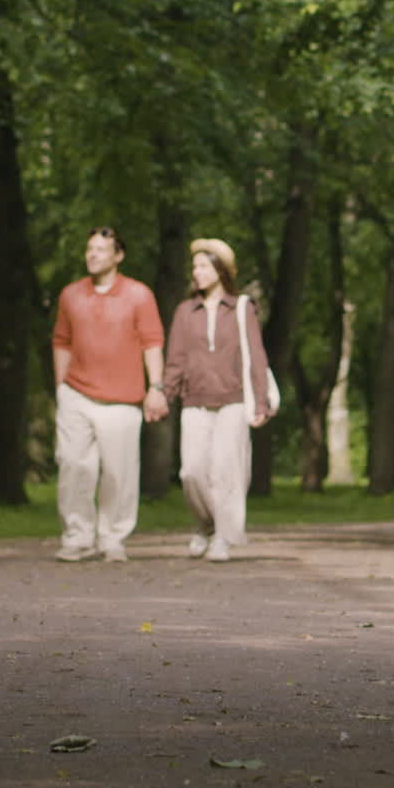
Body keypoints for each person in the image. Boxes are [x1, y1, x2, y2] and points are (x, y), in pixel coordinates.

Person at [52, 226, 168, 563]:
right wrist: (61, 387)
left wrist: (156, 387)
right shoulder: (70, 295)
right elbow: (61, 341)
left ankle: (112, 537)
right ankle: (77, 536)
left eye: (101, 249)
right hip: (76, 394)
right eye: (89, 248)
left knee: (119, 473)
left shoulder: (139, 295)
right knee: (74, 467)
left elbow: (152, 342)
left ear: (118, 255)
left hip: (123, 400)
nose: (92, 254)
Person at [164, 237, 274, 563]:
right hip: (195, 401)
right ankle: (206, 523)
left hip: (233, 401)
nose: (195, 272)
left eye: (202, 265)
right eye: (194, 266)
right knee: (192, 472)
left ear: (219, 269)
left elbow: (256, 356)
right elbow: (176, 359)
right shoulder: (185, 311)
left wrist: (262, 403)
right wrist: (164, 394)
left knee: (226, 470)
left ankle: (224, 536)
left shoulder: (241, 307)